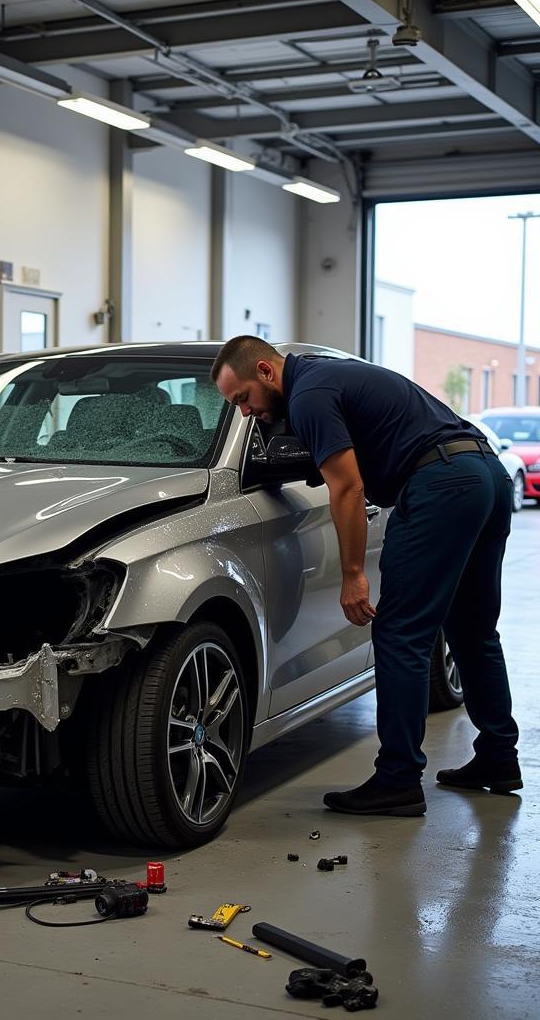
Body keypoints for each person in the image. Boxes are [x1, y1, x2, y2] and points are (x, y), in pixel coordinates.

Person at [212, 336, 520, 817]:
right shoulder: (320, 375)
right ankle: (499, 759)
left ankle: (397, 780)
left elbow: (348, 485)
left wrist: (353, 574)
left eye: (242, 399)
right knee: (473, 631)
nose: (246, 412)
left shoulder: (308, 395)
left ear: (267, 373)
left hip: (441, 485)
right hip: (485, 474)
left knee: (400, 633)